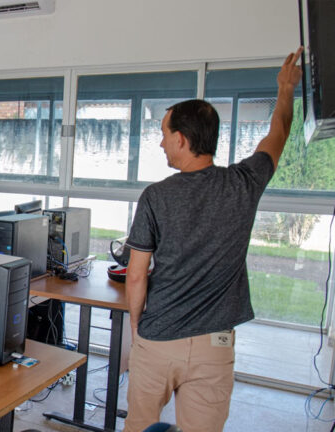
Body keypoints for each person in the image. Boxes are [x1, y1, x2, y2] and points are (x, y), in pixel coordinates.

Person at [123, 48, 303, 432]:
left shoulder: (156, 195)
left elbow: (136, 275)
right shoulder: (245, 183)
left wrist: (138, 330)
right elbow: (280, 132)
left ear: (183, 139)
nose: (161, 144)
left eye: (164, 135)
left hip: (157, 339)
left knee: (139, 426)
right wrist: (285, 89)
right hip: (214, 346)